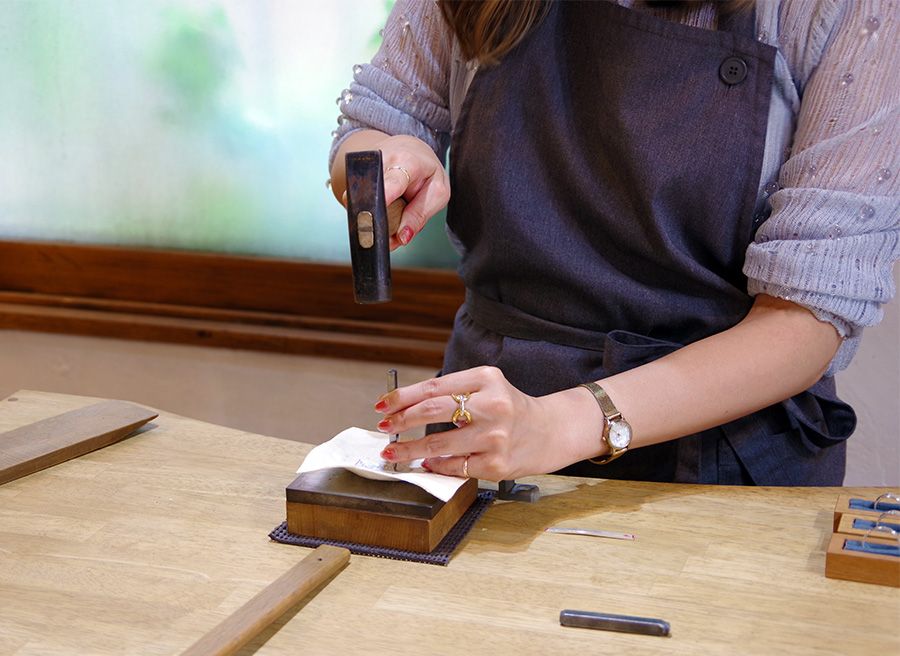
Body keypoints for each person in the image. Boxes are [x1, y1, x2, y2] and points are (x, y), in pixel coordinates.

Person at [329, 0, 898, 486]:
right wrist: (382, 157)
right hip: (489, 434)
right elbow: (378, 117)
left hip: (720, 456)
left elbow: (805, 321)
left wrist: (564, 423)